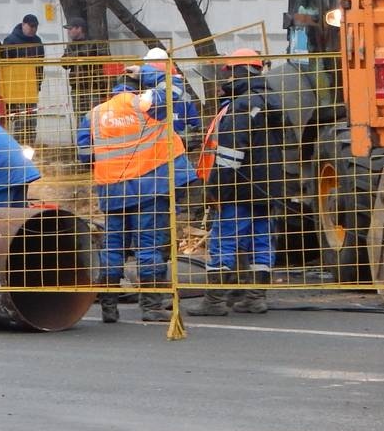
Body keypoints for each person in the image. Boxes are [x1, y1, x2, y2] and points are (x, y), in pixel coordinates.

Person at [77, 74, 198, 324]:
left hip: (111, 191)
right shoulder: (146, 104)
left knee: (112, 245)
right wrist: (149, 71)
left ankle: (108, 307)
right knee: (148, 245)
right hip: (148, 188)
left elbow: (84, 154)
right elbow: (173, 88)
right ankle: (151, 306)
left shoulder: (95, 114)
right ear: (138, 88)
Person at [189, 49, 286, 316]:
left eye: (229, 72)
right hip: (267, 188)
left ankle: (214, 301)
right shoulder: (271, 100)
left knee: (224, 240)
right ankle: (255, 298)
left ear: (239, 72)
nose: (226, 79)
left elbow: (231, 152)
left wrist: (216, 188)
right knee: (261, 239)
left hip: (239, 189)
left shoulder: (242, 104)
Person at [1, 14, 45, 145]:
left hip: (32, 88)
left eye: (35, 27)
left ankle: (29, 147)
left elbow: (40, 65)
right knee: (19, 121)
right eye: (31, 26)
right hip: (16, 88)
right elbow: (5, 66)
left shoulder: (37, 41)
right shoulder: (11, 41)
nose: (33, 29)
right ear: (23, 24)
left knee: (31, 120)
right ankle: (17, 148)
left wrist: (38, 83)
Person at [59, 16, 109, 122]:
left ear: (79, 29)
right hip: (77, 88)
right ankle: (82, 138)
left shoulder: (93, 44)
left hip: (94, 87)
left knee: (96, 118)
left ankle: (96, 138)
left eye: (70, 29)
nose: (68, 32)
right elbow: (64, 63)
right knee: (80, 118)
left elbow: (101, 59)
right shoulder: (71, 46)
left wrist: (76, 56)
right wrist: (77, 55)